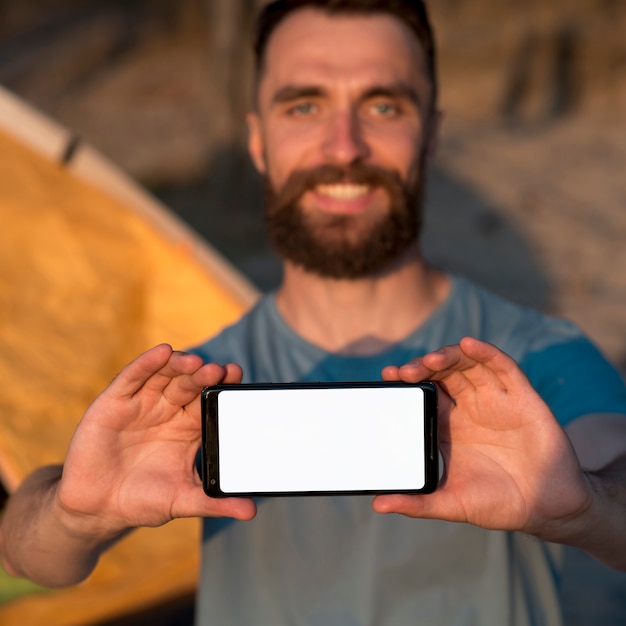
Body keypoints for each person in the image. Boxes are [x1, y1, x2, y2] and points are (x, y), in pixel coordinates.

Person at [2, 1, 626, 624]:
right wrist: (71, 515)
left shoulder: (533, 357)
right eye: (304, 105)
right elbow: (32, 557)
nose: (344, 146)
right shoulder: (205, 379)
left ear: (431, 134)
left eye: (383, 106)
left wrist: (588, 506)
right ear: (258, 141)